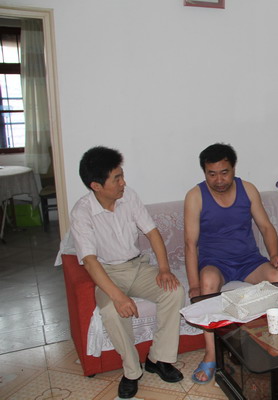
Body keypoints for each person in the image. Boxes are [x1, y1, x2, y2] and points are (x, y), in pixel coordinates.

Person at [70, 146, 185, 399]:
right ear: (96, 186)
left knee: (174, 291)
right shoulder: (82, 212)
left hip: (137, 266)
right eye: (117, 178)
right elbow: (89, 261)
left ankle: (158, 359)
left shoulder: (128, 196)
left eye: (122, 176)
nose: (123, 183)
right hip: (108, 273)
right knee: (112, 310)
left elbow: (152, 232)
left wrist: (164, 269)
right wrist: (118, 297)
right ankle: (132, 372)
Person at [184, 143, 278, 384]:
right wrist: (194, 285)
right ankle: (211, 354)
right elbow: (190, 244)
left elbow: (265, 227)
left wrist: (275, 255)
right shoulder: (195, 196)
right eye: (212, 174)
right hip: (215, 262)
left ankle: (269, 343)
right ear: (204, 172)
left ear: (233, 169)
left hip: (248, 260)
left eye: (224, 172)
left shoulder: (247, 190)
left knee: (277, 278)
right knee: (207, 281)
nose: (219, 180)